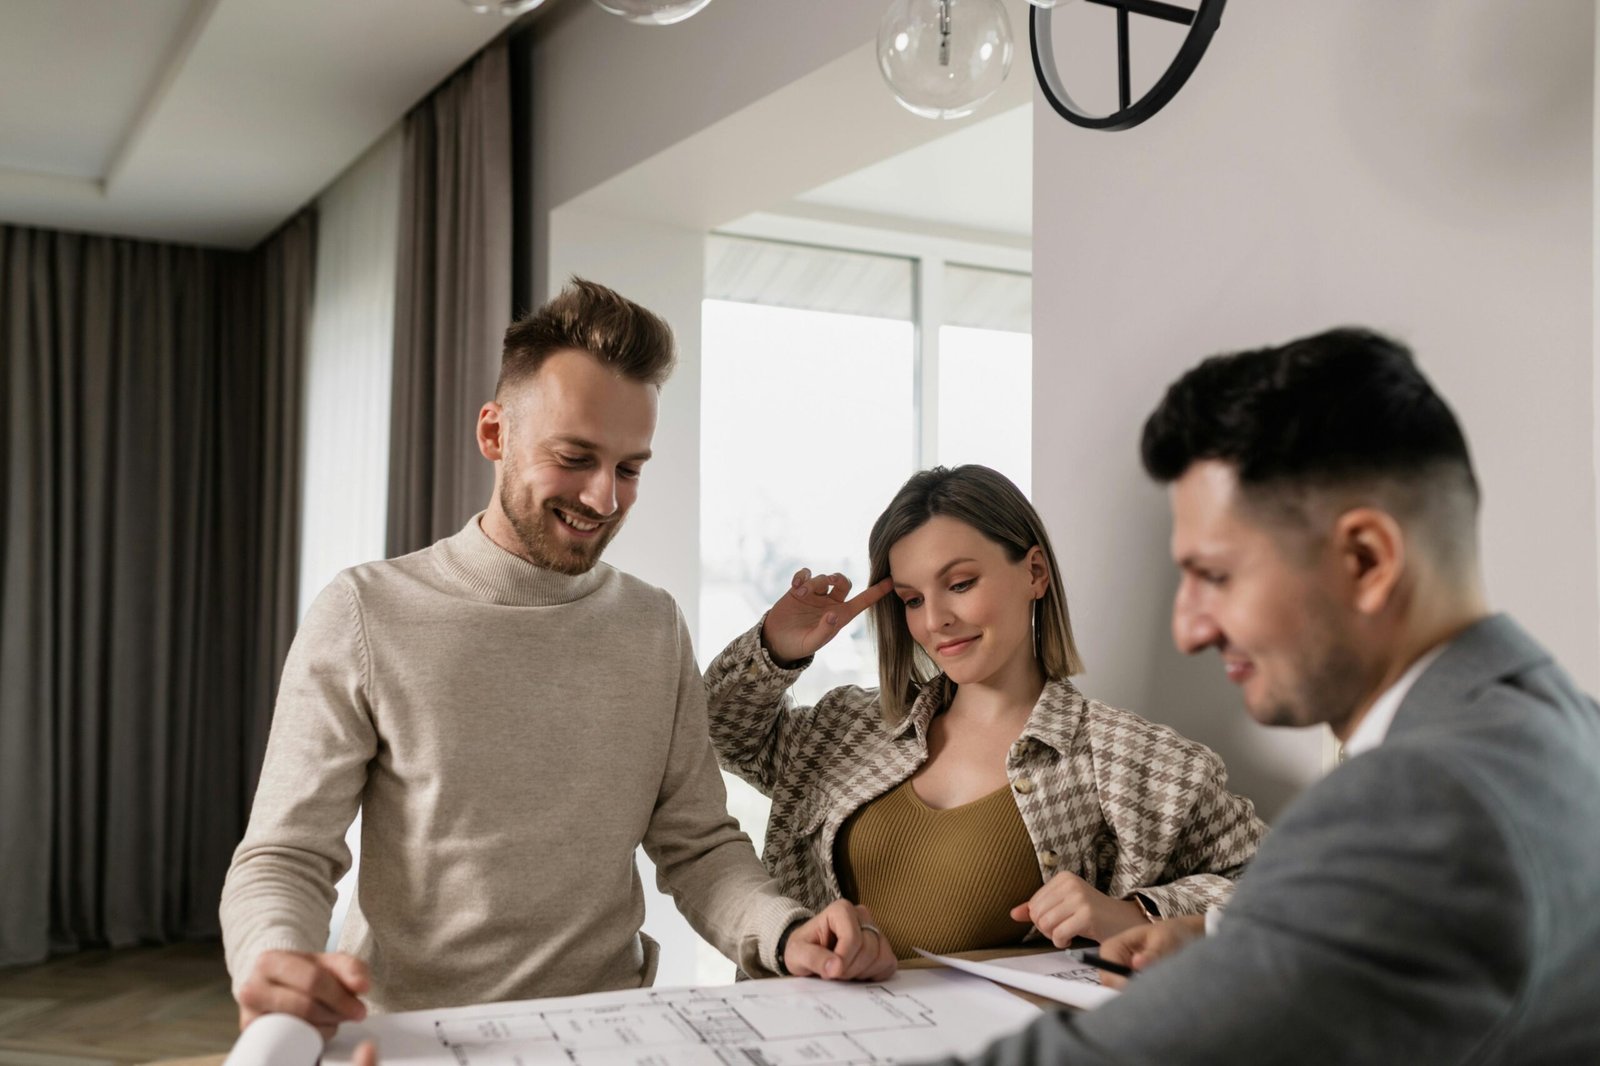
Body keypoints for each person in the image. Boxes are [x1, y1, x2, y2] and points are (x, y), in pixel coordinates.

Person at [219, 279, 894, 1035]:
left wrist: (784, 930)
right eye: (576, 458)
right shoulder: (367, 612)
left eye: (630, 468)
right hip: (414, 1040)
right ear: (494, 434)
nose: (604, 499)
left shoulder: (653, 625)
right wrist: (273, 958)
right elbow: (284, 856)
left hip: (612, 1033)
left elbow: (699, 845)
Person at [955, 327, 1600, 1064]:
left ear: (1366, 559)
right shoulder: (1562, 728)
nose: (1188, 627)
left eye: (1217, 576)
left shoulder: (1418, 798)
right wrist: (1225, 939)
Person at [704, 464, 1266, 960]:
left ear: (1035, 573)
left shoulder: (1129, 760)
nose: (935, 621)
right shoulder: (846, 729)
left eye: (961, 583)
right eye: (913, 600)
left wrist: (1138, 915)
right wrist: (776, 648)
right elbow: (721, 735)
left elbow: (1271, 888)